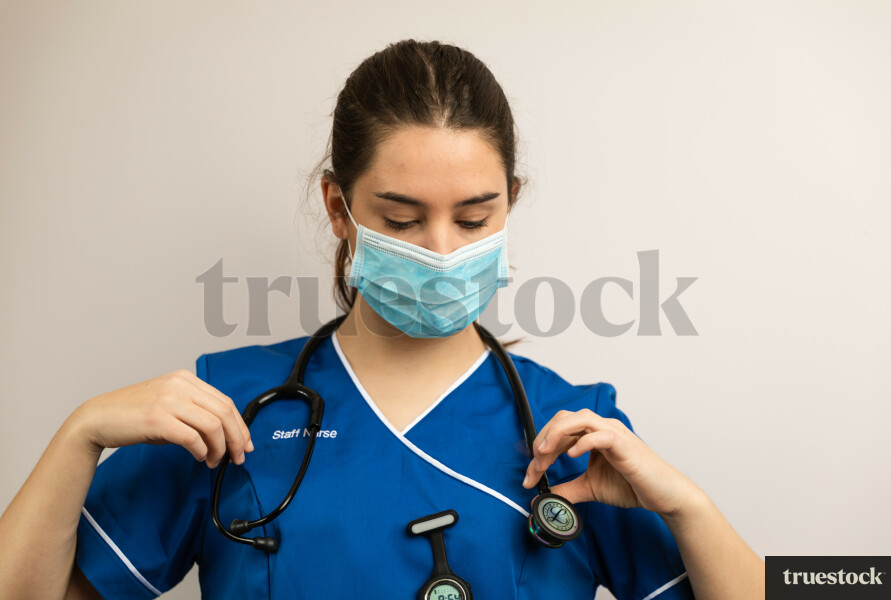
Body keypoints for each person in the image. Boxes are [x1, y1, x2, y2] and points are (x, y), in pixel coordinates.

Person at [0, 39, 764, 599]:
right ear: (341, 210)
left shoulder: (576, 431)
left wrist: (689, 506)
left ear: (510, 207)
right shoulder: (223, 408)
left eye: (473, 219)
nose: (440, 251)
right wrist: (80, 434)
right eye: (401, 221)